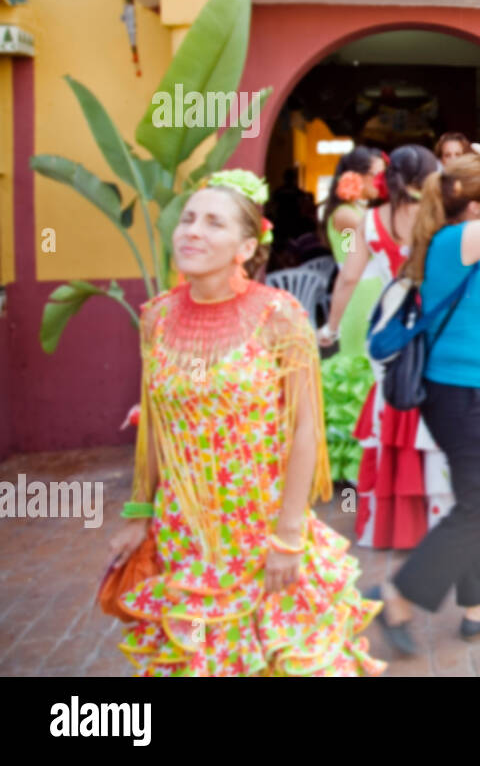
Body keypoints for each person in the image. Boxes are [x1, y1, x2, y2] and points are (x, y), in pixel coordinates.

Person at [105, 169, 384, 676]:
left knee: (280, 657)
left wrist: (288, 535)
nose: (192, 230)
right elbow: (156, 427)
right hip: (185, 536)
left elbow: (305, 430)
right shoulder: (155, 317)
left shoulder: (279, 315)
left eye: (213, 223)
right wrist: (139, 512)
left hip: (263, 528)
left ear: (245, 245)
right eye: (188, 219)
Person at [367, 142, 480, 652]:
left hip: (467, 393)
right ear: (474, 206)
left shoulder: (457, 243)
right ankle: (399, 594)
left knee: (477, 498)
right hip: (460, 396)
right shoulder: (458, 239)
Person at [321, 145, 453, 551]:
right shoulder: (440, 217)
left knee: (390, 420)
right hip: (434, 328)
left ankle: (389, 522)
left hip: (388, 331)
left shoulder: (371, 220)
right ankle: (439, 522)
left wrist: (331, 326)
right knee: (436, 423)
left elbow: (347, 279)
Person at [316, 146, 384, 484]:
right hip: (361, 297)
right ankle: (356, 464)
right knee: (360, 373)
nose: (381, 180)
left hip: (373, 293)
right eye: (376, 173)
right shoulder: (346, 214)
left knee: (373, 374)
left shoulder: (359, 210)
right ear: (355, 178)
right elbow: (379, 238)